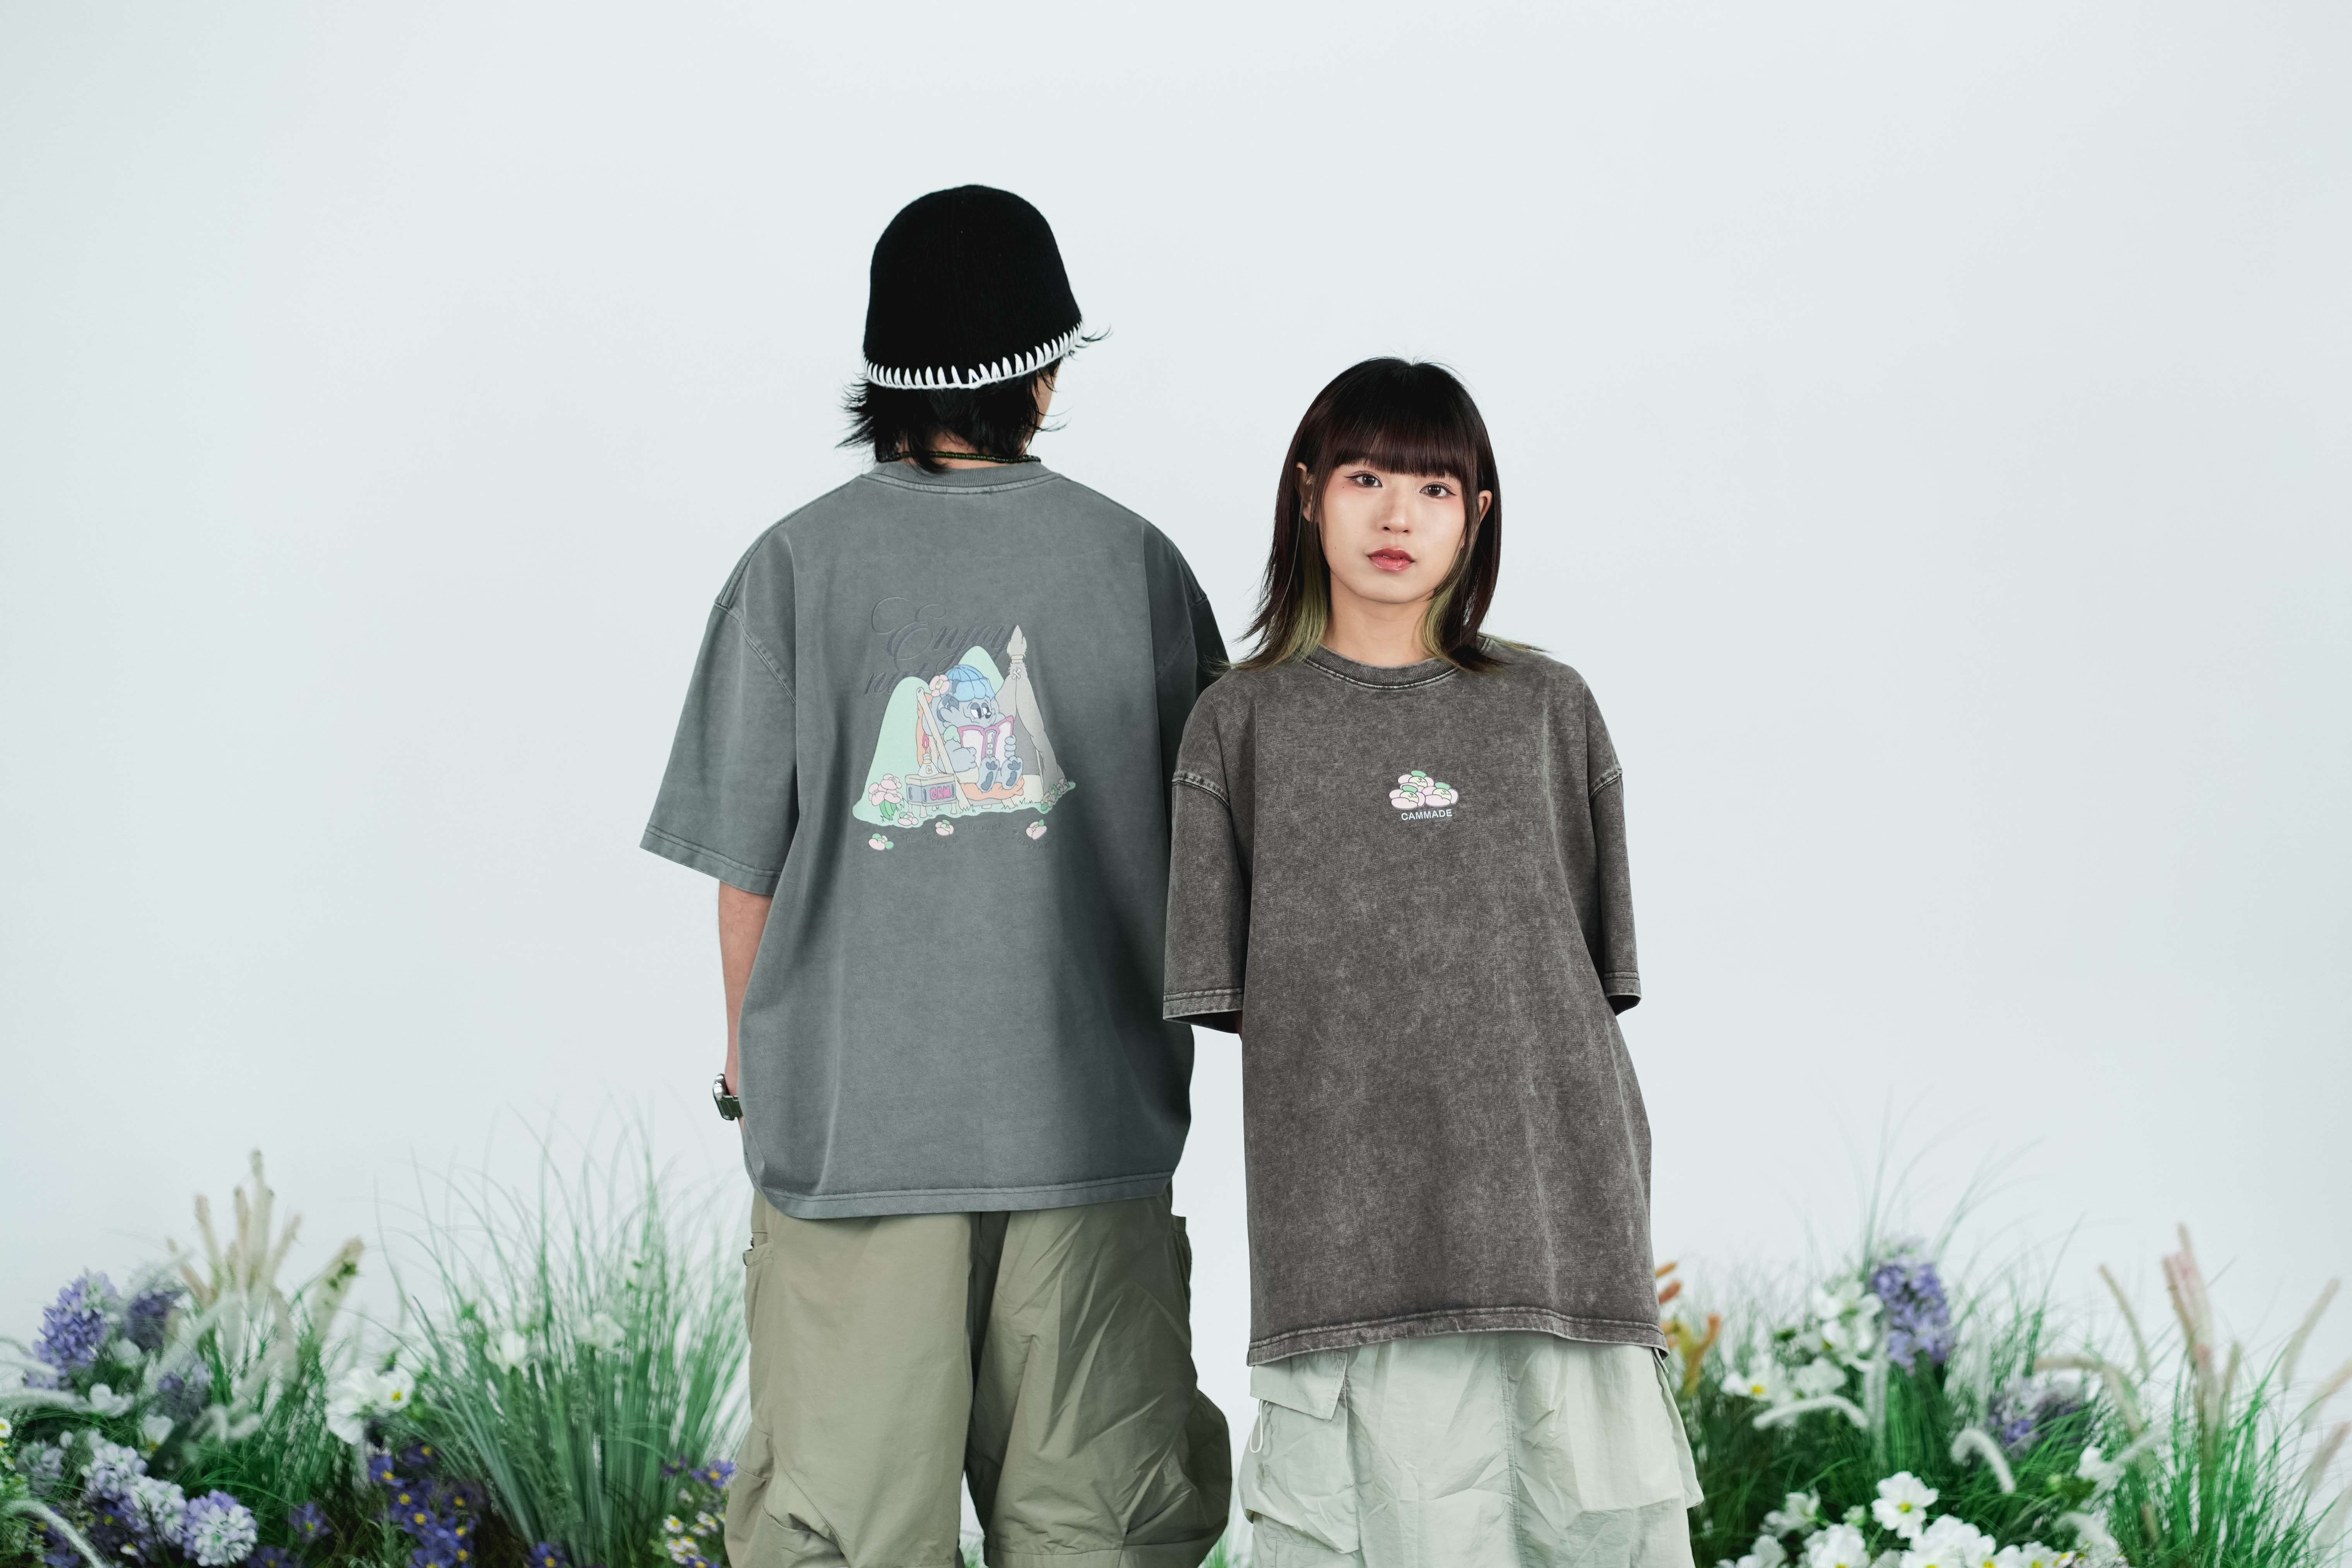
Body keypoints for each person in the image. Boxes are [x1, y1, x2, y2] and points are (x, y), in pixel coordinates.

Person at [642, 185, 1230, 1568]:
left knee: (844, 1533)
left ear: (883, 370)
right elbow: (1222, 859)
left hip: (857, 1142)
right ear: (1046, 371)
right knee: (1100, 1530)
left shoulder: (791, 567)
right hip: (1087, 1132)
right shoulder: (1137, 565)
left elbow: (747, 873)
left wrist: (748, 1067)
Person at [1160, 359, 1701, 1567]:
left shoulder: (1550, 709)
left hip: (1559, 1240)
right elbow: (1247, 1000)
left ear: (1478, 514)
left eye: (1435, 488)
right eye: (1366, 478)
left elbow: (1579, 983)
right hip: (1346, 1259)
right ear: (1309, 493)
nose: (1398, 514)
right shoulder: (1238, 726)